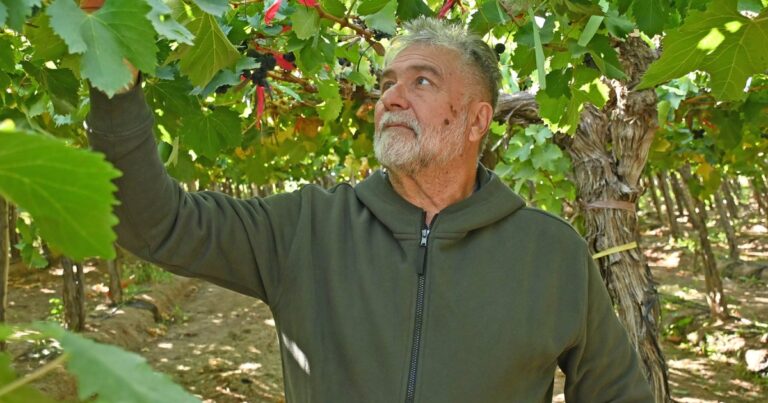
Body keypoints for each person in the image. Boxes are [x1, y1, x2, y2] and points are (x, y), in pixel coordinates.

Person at [86, 14, 654, 403]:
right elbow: (153, 223)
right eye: (387, 83)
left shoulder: (551, 252)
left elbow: (616, 393)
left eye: (422, 81)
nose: (391, 97)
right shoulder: (304, 228)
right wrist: (117, 81)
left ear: (478, 120)